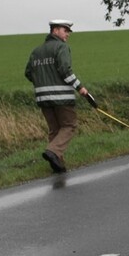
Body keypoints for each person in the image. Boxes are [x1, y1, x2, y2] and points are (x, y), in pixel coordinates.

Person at [25, 19, 89, 173]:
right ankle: (53, 152)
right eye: (65, 30)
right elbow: (65, 70)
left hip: (42, 97)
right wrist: (80, 87)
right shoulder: (62, 47)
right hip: (61, 97)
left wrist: (42, 83)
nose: (68, 34)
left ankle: (58, 165)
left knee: (55, 129)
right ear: (55, 31)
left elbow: (28, 73)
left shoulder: (36, 51)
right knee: (69, 125)